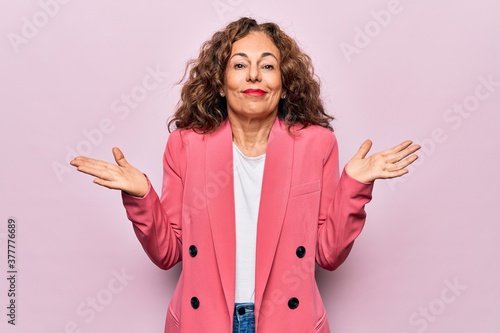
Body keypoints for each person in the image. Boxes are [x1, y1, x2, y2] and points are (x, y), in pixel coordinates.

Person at [70, 17, 420, 333]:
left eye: (267, 66)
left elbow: (328, 255)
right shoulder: (185, 145)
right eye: (240, 65)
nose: (254, 75)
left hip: (288, 323)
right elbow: (168, 253)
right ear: (220, 84)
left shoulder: (317, 145)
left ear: (284, 84)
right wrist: (140, 196)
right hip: (203, 322)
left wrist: (355, 186)